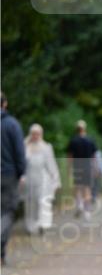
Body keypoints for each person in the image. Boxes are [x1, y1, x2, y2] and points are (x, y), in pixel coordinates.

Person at [1, 92, 27, 265]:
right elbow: (19, 152)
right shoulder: (12, 124)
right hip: (7, 175)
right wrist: (22, 172)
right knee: (6, 212)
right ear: (5, 104)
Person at [23, 124, 60, 235]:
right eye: (33, 134)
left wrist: (56, 179)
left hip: (43, 179)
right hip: (29, 178)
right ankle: (30, 226)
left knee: (42, 202)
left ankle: (42, 224)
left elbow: (51, 164)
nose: (35, 136)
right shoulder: (25, 147)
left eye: (37, 134)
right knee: (30, 203)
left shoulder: (46, 147)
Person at [67, 120, 98, 220]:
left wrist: (69, 169)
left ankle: (79, 205)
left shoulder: (73, 141)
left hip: (77, 166)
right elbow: (94, 157)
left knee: (77, 188)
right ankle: (87, 211)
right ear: (85, 128)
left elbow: (70, 157)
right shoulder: (90, 140)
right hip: (87, 166)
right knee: (87, 189)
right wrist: (95, 168)